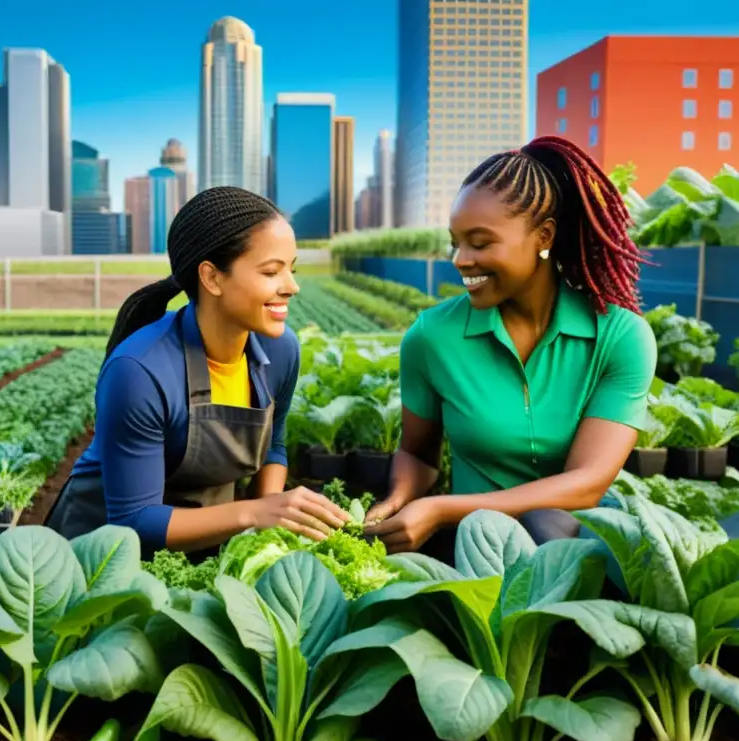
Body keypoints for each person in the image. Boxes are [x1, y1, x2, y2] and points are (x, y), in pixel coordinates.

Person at [365, 135, 657, 557]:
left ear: (544, 236)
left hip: (578, 553)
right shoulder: (431, 337)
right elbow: (417, 453)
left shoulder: (620, 337)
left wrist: (442, 509)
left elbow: (588, 481)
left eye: (480, 243)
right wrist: (398, 500)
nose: (461, 259)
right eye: (456, 242)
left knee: (546, 524)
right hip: (478, 554)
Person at [47, 186, 349, 552]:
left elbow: (274, 448)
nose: (292, 286)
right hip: (99, 556)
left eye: (292, 268)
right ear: (212, 277)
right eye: (272, 271)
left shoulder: (280, 350)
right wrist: (256, 513)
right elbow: (134, 521)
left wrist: (270, 528)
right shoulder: (139, 371)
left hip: (202, 542)